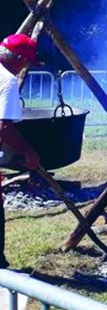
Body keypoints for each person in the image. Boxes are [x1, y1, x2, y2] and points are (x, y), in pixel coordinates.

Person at [0, 34, 45, 269]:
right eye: (26, 62)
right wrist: (29, 152)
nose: (25, 67)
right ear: (18, 58)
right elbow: (4, 128)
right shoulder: (6, 80)